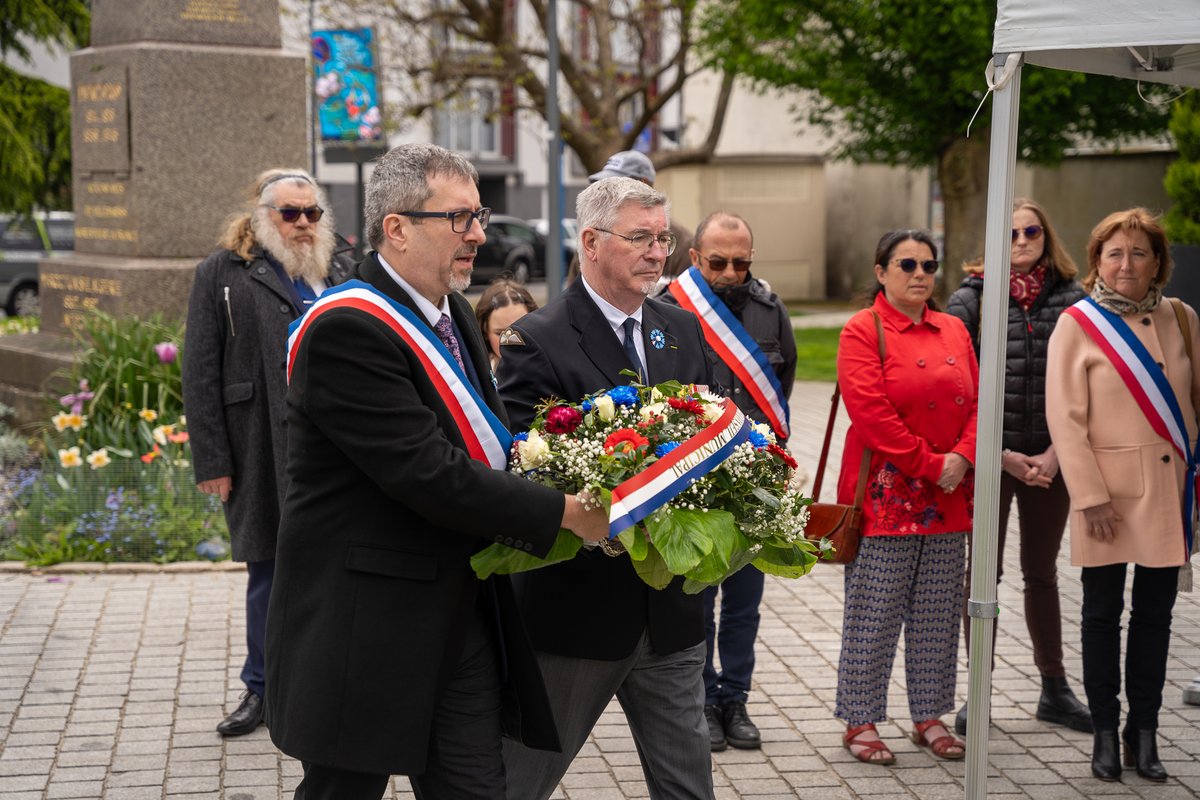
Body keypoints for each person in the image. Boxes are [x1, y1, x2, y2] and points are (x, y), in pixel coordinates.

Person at [263, 143, 608, 800]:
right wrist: (567, 513)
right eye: (459, 219)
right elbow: (428, 472)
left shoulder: (451, 316)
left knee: (475, 788)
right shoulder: (348, 328)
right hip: (366, 625)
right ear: (396, 227)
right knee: (343, 791)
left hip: (460, 614)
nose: (479, 234)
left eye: (477, 217)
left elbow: (488, 443)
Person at [497, 176, 718, 800]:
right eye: (640, 238)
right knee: (518, 784)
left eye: (663, 238)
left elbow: (708, 433)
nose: (657, 252)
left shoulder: (682, 329)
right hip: (577, 617)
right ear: (591, 242)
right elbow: (522, 464)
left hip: (671, 613)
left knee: (688, 788)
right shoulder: (536, 338)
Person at [182, 167, 354, 737]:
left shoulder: (344, 266)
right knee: (270, 570)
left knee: (342, 567)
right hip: (259, 440)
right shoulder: (223, 271)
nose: (304, 224)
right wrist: (213, 461)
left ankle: (335, 681)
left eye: (313, 213)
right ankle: (261, 688)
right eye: (291, 213)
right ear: (264, 215)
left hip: (344, 445)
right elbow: (201, 368)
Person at [1046, 207, 1196, 783]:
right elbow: (1065, 418)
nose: (1127, 263)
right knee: (1102, 614)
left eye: (1139, 252)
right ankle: (1105, 734)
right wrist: (1088, 496)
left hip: (1168, 492)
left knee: (1156, 617)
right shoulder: (1078, 324)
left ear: (1158, 261)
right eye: (1115, 253)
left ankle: (1145, 731)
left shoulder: (1181, 317)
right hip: (1104, 495)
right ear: (1097, 263)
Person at [945, 199, 1091, 737]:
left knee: (1041, 573)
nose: (1023, 239)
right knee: (983, 575)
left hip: (1053, 456)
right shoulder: (973, 298)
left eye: (1032, 230)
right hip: (992, 458)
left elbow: (1087, 382)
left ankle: (1054, 688)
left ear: (1046, 236)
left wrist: (1056, 451)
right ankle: (977, 692)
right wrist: (1000, 453)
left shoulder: (1074, 300)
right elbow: (956, 383)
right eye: (1011, 233)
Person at [835, 229, 977, 766]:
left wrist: (962, 457)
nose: (920, 274)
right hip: (887, 497)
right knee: (874, 614)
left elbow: (978, 401)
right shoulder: (861, 330)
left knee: (938, 613)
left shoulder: (955, 329)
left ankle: (929, 716)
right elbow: (870, 414)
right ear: (881, 271)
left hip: (950, 494)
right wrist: (931, 464)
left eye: (928, 265)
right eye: (907, 264)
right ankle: (860, 720)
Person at [659, 211, 795, 752]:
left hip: (754, 481)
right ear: (695, 259)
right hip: (694, 481)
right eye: (719, 262)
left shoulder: (769, 310)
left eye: (742, 262)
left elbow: (780, 386)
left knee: (745, 599)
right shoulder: (667, 309)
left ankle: (734, 699)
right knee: (698, 598)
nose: (732, 272)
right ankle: (703, 698)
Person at [565, 150, 692, 285]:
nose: (606, 191)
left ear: (644, 184)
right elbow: (574, 294)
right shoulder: (594, 236)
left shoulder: (682, 244)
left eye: (617, 185)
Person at [475, 277, 538, 370]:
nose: (510, 341)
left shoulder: (552, 371)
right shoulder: (474, 376)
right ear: (485, 331)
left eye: (520, 331)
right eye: (500, 333)